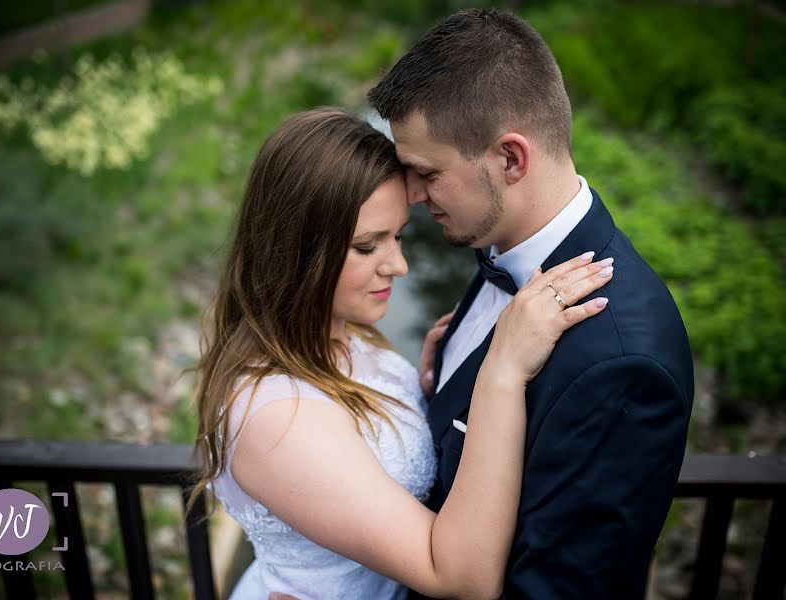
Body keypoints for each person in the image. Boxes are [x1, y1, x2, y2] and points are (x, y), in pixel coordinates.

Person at [185, 107, 613, 599]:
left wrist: (425, 388)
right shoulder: (276, 418)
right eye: (368, 246)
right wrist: (503, 369)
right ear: (295, 252)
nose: (400, 266)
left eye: (399, 235)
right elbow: (462, 580)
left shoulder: (338, 331)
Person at [367, 8, 695, 599]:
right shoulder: (501, 244)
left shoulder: (620, 364)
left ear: (511, 159)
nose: (412, 195)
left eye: (426, 173)